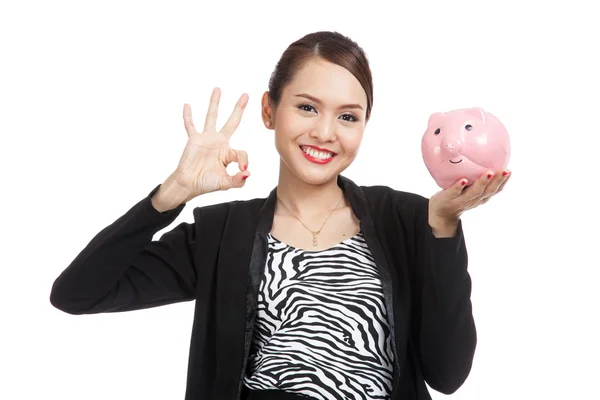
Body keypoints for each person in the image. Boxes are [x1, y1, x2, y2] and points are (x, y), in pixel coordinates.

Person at [50, 31, 511, 400]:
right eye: (307, 107)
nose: (325, 132)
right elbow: (77, 293)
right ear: (270, 111)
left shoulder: (410, 218)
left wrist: (444, 228)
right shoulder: (221, 234)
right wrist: (170, 194)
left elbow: (448, 375)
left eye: (348, 117)